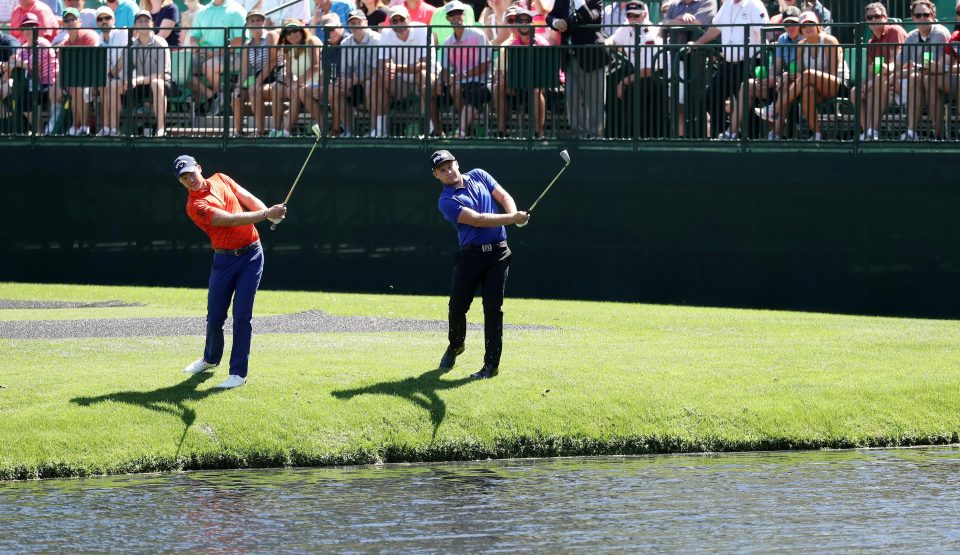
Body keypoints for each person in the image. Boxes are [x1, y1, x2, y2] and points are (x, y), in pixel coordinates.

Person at [175, 154, 287, 389]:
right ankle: (210, 358)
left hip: (251, 256)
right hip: (224, 260)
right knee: (215, 316)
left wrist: (268, 212)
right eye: (184, 178)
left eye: (190, 173)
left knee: (242, 315)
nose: (190, 179)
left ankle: (238, 373)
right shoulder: (195, 206)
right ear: (181, 182)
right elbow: (231, 220)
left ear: (198, 167)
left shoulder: (221, 179)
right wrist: (267, 215)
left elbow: (246, 197)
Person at [431, 149, 529, 380]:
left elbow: (503, 196)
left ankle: (491, 366)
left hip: (499, 254)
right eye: (441, 170)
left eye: (449, 166)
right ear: (436, 176)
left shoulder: (479, 175)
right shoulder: (446, 201)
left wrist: (514, 215)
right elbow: (478, 219)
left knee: (493, 309)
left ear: (457, 163)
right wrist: (512, 220)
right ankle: (456, 346)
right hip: (471, 257)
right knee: (457, 307)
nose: (448, 172)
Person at [755, 10, 848, 141]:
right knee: (805, 90)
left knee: (808, 74)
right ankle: (818, 134)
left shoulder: (829, 40)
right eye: (804, 25)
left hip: (837, 84)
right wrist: (788, 76)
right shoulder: (801, 46)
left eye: (810, 23)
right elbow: (800, 73)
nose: (807, 27)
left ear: (817, 25)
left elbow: (832, 72)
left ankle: (774, 108)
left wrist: (806, 76)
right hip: (813, 85)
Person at [720, 4, 802, 140]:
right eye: (787, 24)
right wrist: (768, 79)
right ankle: (731, 133)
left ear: (800, 24)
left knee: (786, 85)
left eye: (794, 23)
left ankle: (775, 134)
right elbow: (777, 66)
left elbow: (803, 70)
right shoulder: (782, 39)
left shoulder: (805, 39)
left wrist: (778, 79)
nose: (791, 27)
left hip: (798, 84)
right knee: (748, 85)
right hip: (782, 81)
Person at [690, 0, 769, 139]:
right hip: (727, 63)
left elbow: (764, 33)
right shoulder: (727, 5)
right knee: (711, 98)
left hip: (749, 64)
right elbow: (715, 28)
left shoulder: (754, 4)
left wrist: (762, 64)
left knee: (749, 105)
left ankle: (751, 140)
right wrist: (697, 43)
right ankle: (721, 135)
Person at [369, 5, 440, 137]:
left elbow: (426, 64)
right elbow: (382, 62)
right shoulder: (385, 33)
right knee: (377, 79)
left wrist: (396, 67)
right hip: (400, 83)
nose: (398, 23)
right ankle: (380, 130)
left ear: (409, 18)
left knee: (424, 76)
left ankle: (433, 129)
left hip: (425, 80)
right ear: (390, 23)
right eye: (394, 21)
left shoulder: (423, 30)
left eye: (401, 19)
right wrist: (387, 69)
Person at [106, 10, 171, 136]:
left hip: (162, 83)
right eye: (140, 21)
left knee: (156, 83)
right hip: (140, 86)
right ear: (135, 25)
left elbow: (162, 74)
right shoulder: (132, 45)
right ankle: (113, 130)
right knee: (114, 85)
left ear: (152, 23)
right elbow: (120, 65)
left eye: (146, 20)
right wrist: (111, 77)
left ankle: (161, 129)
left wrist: (137, 80)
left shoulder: (161, 43)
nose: (143, 23)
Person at [546, 0, 606, 138]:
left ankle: (595, 136)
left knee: (594, 99)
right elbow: (550, 16)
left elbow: (590, 19)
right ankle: (577, 134)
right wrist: (555, 23)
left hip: (591, 58)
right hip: (569, 57)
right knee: (571, 96)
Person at [606, 1, 663, 138]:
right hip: (638, 73)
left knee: (635, 92)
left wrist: (624, 81)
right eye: (629, 15)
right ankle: (615, 133)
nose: (632, 19)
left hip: (655, 77)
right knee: (610, 81)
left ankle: (640, 136)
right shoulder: (626, 28)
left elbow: (650, 70)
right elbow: (610, 41)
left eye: (636, 15)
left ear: (644, 15)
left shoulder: (652, 35)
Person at [851, 2, 906, 141]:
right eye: (870, 18)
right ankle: (867, 132)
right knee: (855, 91)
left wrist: (881, 74)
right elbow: (872, 71)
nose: (874, 20)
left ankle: (873, 131)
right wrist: (865, 84)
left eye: (877, 16)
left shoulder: (895, 31)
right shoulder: (871, 43)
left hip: (902, 82)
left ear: (885, 17)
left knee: (876, 83)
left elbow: (897, 63)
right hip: (882, 85)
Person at [493, 4, 548, 138]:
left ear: (532, 23)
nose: (524, 23)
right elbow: (508, 71)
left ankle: (538, 132)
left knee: (536, 90)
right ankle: (501, 131)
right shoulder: (511, 46)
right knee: (497, 88)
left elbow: (546, 72)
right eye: (520, 21)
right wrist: (504, 79)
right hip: (519, 84)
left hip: (542, 84)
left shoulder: (542, 44)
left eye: (527, 20)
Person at [898, 0, 950, 140]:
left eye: (926, 15)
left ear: (933, 16)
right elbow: (899, 63)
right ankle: (910, 132)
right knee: (914, 79)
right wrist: (889, 75)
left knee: (921, 78)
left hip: (941, 81)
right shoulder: (911, 36)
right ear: (913, 17)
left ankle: (937, 134)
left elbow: (935, 68)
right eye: (918, 15)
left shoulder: (940, 33)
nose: (922, 18)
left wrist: (914, 68)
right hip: (916, 80)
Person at [441, 0, 491, 138]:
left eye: (458, 13)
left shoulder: (478, 35)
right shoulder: (447, 42)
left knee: (458, 88)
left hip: (482, 82)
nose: (456, 16)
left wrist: (460, 76)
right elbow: (445, 69)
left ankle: (464, 130)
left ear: (463, 15)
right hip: (461, 83)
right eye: (452, 14)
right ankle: (465, 130)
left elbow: (485, 65)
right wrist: (447, 81)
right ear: (447, 18)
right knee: (452, 88)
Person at [189, 0, 247, 115]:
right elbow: (194, 36)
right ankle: (215, 96)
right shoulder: (202, 12)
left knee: (209, 66)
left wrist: (215, 53)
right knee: (183, 71)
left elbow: (240, 40)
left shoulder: (236, 10)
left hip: (234, 55)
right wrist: (196, 46)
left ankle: (219, 96)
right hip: (206, 54)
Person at [330, 8, 380, 136]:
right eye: (352, 23)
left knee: (371, 85)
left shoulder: (377, 40)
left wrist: (354, 80)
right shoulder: (345, 43)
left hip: (375, 82)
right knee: (335, 88)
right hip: (354, 83)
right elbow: (344, 70)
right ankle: (348, 130)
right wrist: (344, 82)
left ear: (366, 23)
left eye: (358, 21)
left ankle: (375, 129)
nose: (355, 25)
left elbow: (377, 70)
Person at [231, 9, 281, 137]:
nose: (255, 23)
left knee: (254, 90)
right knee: (237, 96)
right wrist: (238, 87)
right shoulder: (247, 45)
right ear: (247, 25)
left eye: (258, 20)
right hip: (260, 79)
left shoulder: (271, 35)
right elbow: (244, 70)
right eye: (252, 20)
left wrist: (257, 82)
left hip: (276, 77)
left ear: (263, 22)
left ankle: (260, 131)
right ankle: (238, 131)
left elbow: (272, 61)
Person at [9, 12, 60, 134]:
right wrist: (14, 63)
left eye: (32, 26)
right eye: (26, 27)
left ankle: (37, 133)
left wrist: (15, 62)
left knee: (28, 97)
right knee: (18, 97)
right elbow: (13, 61)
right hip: (33, 85)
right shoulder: (25, 46)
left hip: (49, 84)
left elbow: (31, 65)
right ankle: (35, 132)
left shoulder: (43, 43)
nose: (29, 30)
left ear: (37, 28)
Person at [59, 7, 99, 136]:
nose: (70, 22)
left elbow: (93, 63)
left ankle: (84, 127)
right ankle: (77, 126)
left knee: (80, 89)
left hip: (95, 78)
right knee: (75, 89)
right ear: (63, 24)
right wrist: (63, 85)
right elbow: (64, 68)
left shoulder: (89, 36)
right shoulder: (63, 45)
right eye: (67, 20)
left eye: (73, 19)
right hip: (76, 81)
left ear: (80, 21)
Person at [94, 5, 128, 136]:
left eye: (107, 18)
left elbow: (125, 57)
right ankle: (107, 128)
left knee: (110, 85)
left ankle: (114, 129)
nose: (104, 21)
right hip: (110, 79)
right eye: (100, 19)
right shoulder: (99, 40)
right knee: (104, 86)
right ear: (97, 23)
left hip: (126, 77)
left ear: (113, 20)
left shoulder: (122, 33)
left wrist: (111, 74)